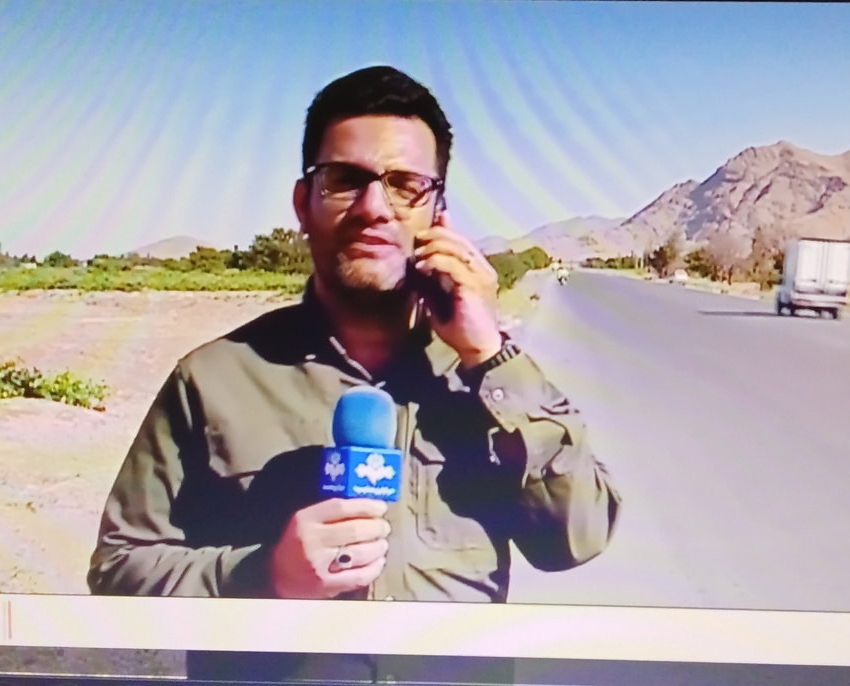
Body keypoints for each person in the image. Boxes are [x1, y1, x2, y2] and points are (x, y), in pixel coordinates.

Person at [86, 65, 621, 682]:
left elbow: (576, 540)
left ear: (438, 212)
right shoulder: (212, 379)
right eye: (344, 180)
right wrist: (264, 576)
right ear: (303, 203)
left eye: (405, 185)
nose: (373, 209)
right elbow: (120, 569)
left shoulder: (491, 381)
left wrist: (488, 353)